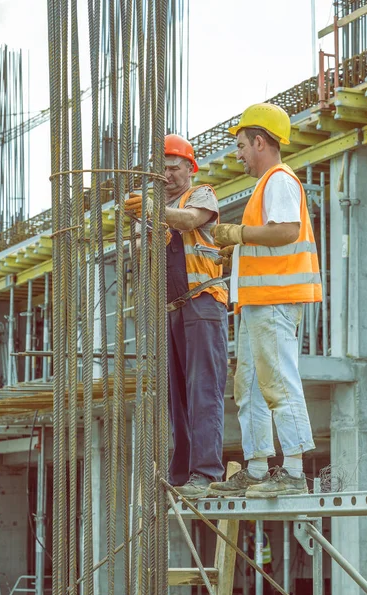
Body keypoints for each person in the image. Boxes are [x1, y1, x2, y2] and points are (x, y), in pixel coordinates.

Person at [208, 103, 322, 499]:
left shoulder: (278, 180)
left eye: (241, 145)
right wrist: (236, 253)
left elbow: (286, 231)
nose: (237, 154)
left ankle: (292, 471)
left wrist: (238, 236)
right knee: (252, 386)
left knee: (277, 381)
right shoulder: (268, 185)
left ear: (260, 142)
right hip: (258, 302)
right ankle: (257, 467)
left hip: (275, 301)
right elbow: (268, 240)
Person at [125, 134, 228, 499]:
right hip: (171, 311)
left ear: (189, 168)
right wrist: (143, 227)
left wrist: (152, 213)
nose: (167, 175)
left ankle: (206, 471)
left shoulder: (201, 195)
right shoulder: (149, 208)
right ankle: (184, 471)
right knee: (177, 396)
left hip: (202, 303)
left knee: (203, 390)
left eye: (174, 168)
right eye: (162, 169)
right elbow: (140, 251)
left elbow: (189, 221)